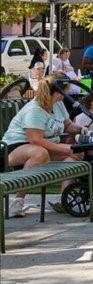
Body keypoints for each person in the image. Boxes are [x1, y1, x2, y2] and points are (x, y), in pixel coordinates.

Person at [2, 77, 86, 217]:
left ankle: (65, 200)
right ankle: (17, 202)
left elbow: (67, 125)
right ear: (57, 93)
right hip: (15, 146)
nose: (66, 95)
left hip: (45, 146)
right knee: (40, 153)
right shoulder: (35, 109)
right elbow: (36, 140)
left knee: (76, 155)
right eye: (65, 92)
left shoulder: (57, 104)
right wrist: (66, 148)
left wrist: (81, 129)